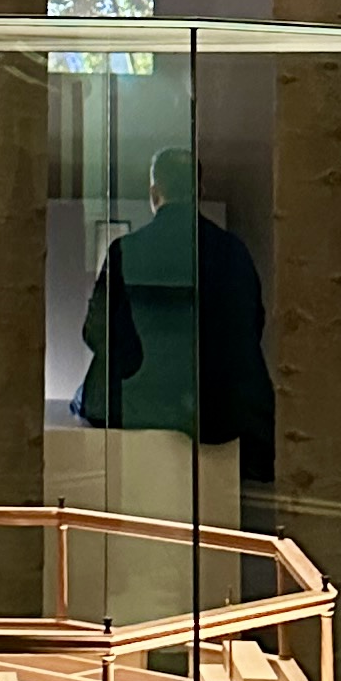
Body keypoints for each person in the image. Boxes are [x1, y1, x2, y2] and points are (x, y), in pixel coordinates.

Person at [77, 145, 275, 481]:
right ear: (200, 191)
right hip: (222, 410)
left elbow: (96, 331)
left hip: (140, 404)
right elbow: (251, 325)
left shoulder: (126, 249)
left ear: (155, 193)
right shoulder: (233, 251)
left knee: (83, 400)